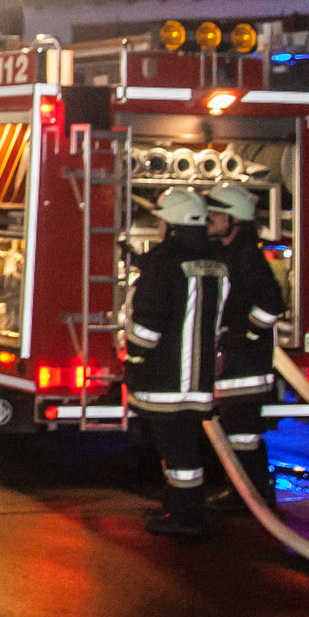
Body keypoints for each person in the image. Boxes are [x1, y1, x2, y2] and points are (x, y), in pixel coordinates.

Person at [123, 187, 228, 536]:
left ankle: (186, 518)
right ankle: (178, 508)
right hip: (197, 381)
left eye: (162, 222)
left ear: (174, 224)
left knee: (179, 454)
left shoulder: (162, 264)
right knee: (183, 449)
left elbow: (147, 324)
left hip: (164, 379)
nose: (159, 229)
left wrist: (134, 359)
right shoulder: (215, 264)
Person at [204, 181, 284, 507]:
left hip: (245, 365)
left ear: (233, 219)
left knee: (242, 433)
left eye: (215, 214)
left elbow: (272, 304)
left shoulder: (246, 258)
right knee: (239, 432)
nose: (208, 218)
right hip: (237, 363)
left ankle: (246, 496)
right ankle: (248, 492)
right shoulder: (230, 253)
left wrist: (246, 335)